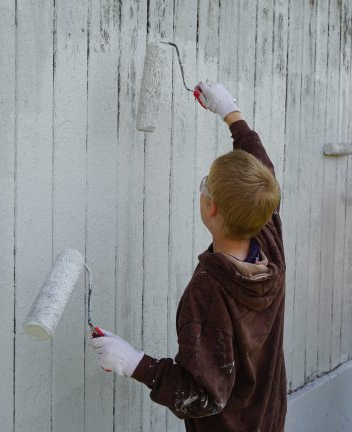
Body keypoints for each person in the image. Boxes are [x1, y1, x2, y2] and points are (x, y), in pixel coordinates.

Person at [88, 82, 287, 431]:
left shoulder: (210, 291)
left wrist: (134, 363)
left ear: (210, 207)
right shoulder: (268, 239)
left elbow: (204, 395)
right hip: (268, 418)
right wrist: (230, 113)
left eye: (205, 183)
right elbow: (263, 173)